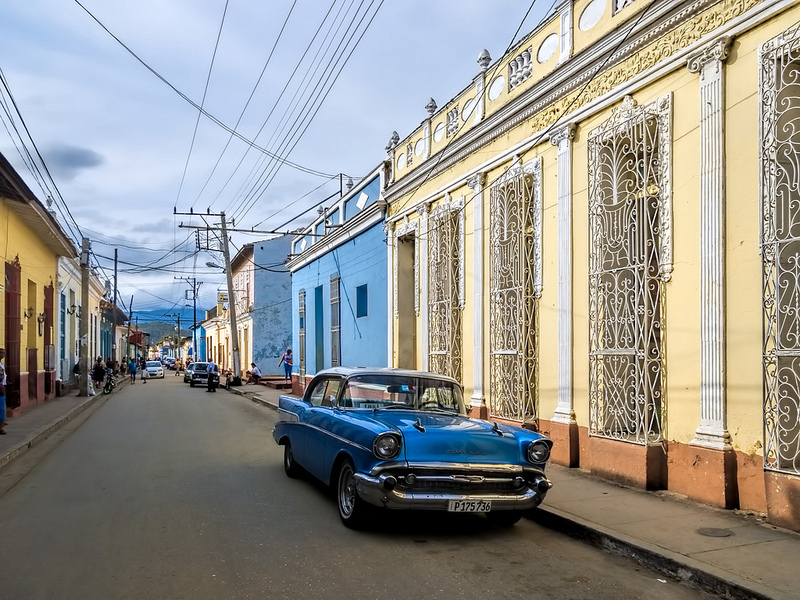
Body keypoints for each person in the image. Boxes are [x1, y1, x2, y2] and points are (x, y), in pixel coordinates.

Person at [0, 348, 7, 435]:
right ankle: (1, 428)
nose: (3, 354)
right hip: (0, 388)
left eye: (4, 353)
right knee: (1, 408)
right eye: (1, 353)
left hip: (2, 387)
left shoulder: (1, 364)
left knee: (2, 407)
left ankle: (1, 424)